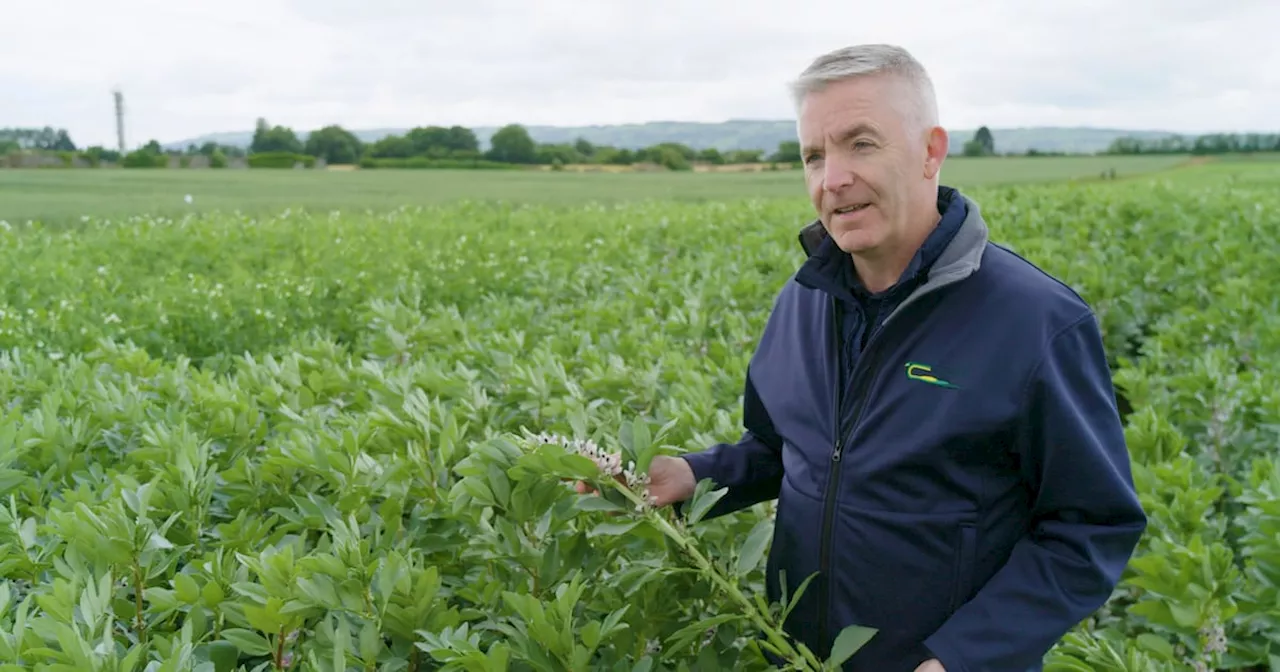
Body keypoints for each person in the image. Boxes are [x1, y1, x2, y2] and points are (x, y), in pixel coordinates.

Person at [611, 44, 1148, 671]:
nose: (831, 178)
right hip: (796, 657)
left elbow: (1090, 526)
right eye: (814, 155)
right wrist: (696, 475)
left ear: (930, 151)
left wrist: (964, 658)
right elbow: (789, 449)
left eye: (860, 143)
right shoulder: (802, 301)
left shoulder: (1037, 321)